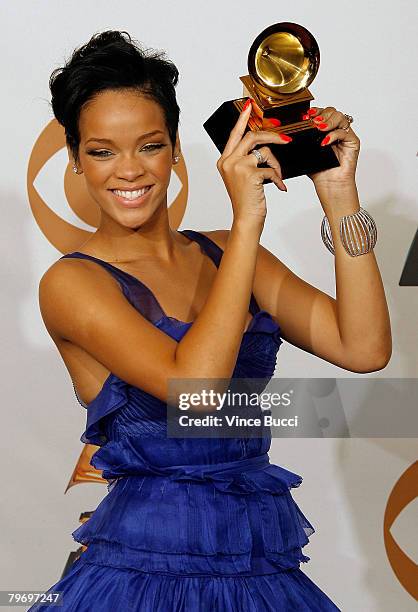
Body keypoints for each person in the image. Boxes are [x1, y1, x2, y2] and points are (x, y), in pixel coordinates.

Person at [28, 30, 391, 611]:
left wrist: (338, 192)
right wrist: (248, 218)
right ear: (74, 159)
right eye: (101, 151)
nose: (128, 171)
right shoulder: (72, 283)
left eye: (148, 145)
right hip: (141, 572)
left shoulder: (227, 253)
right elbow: (196, 389)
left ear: (175, 148)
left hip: (257, 564)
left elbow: (365, 347)